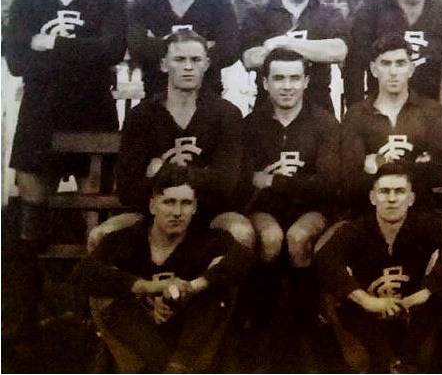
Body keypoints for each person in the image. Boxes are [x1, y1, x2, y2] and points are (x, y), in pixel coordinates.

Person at [6, 0, 127, 246]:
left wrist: (50, 44)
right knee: (31, 199)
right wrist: (86, 51)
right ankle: (34, 282)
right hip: (40, 109)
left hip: (93, 106)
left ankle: (91, 279)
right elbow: (17, 61)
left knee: (95, 205)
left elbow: (112, 50)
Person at [73, 165, 253, 373]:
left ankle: (178, 367)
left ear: (194, 207)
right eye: (169, 202)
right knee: (102, 292)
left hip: (188, 341)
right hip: (141, 338)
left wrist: (191, 287)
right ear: (153, 206)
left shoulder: (208, 240)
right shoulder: (129, 239)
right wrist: (147, 287)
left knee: (219, 286)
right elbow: (83, 272)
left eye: (185, 203)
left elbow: (244, 258)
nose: (177, 212)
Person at [88, 29, 254, 251]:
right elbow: (128, 188)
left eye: (195, 60)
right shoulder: (142, 115)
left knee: (242, 233)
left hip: (211, 214)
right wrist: (201, 173)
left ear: (206, 64)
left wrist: (162, 171)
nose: (188, 67)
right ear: (164, 64)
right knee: (100, 236)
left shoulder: (227, 114)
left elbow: (225, 184)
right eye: (179, 59)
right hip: (152, 214)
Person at [316, 162, 442, 372]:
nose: (392, 199)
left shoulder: (427, 224)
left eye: (400, 191)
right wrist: (366, 300)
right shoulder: (356, 229)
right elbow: (326, 259)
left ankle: (406, 362)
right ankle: (387, 362)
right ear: (372, 197)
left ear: (411, 198)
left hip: (413, 315)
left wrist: (427, 290)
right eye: (384, 191)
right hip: (370, 317)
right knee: (345, 308)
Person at [242, 49, 340, 364]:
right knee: (270, 238)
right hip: (265, 209)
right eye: (279, 78)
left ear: (307, 81)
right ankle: (262, 327)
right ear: (265, 82)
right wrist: (285, 185)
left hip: (312, 209)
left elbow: (327, 184)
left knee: (298, 238)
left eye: (295, 78)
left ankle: (304, 328)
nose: (287, 86)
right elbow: (243, 181)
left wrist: (274, 182)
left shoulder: (324, 122)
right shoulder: (251, 124)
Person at [340, 34, 442, 215]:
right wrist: (417, 166)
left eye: (400, 64)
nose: (393, 72)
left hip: (422, 213)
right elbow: (349, 185)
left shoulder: (432, 112)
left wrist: (377, 165)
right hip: (368, 216)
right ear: (373, 69)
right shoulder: (356, 115)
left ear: (411, 69)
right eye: (386, 63)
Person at [240, 0, 348, 114]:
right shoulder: (257, 14)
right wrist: (314, 50)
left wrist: (284, 42)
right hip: (269, 114)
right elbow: (250, 58)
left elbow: (338, 50)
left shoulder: (330, 13)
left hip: (319, 114)